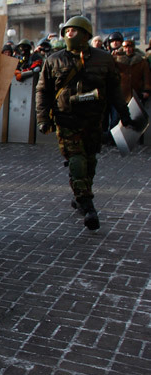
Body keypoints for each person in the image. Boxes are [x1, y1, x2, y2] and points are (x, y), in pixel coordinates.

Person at [35, 16, 143, 230]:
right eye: (66, 31)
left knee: (90, 160)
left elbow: (114, 90)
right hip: (66, 119)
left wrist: (124, 114)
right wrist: (43, 118)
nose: (68, 34)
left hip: (94, 120)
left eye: (73, 31)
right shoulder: (54, 60)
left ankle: (79, 193)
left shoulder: (104, 59)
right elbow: (43, 91)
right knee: (77, 160)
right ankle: (87, 204)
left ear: (85, 34)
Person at [114, 38, 151, 103]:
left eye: (130, 47)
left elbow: (146, 76)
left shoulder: (141, 61)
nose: (128, 49)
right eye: (125, 47)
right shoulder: (117, 60)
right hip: (121, 94)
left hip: (137, 93)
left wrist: (146, 90)